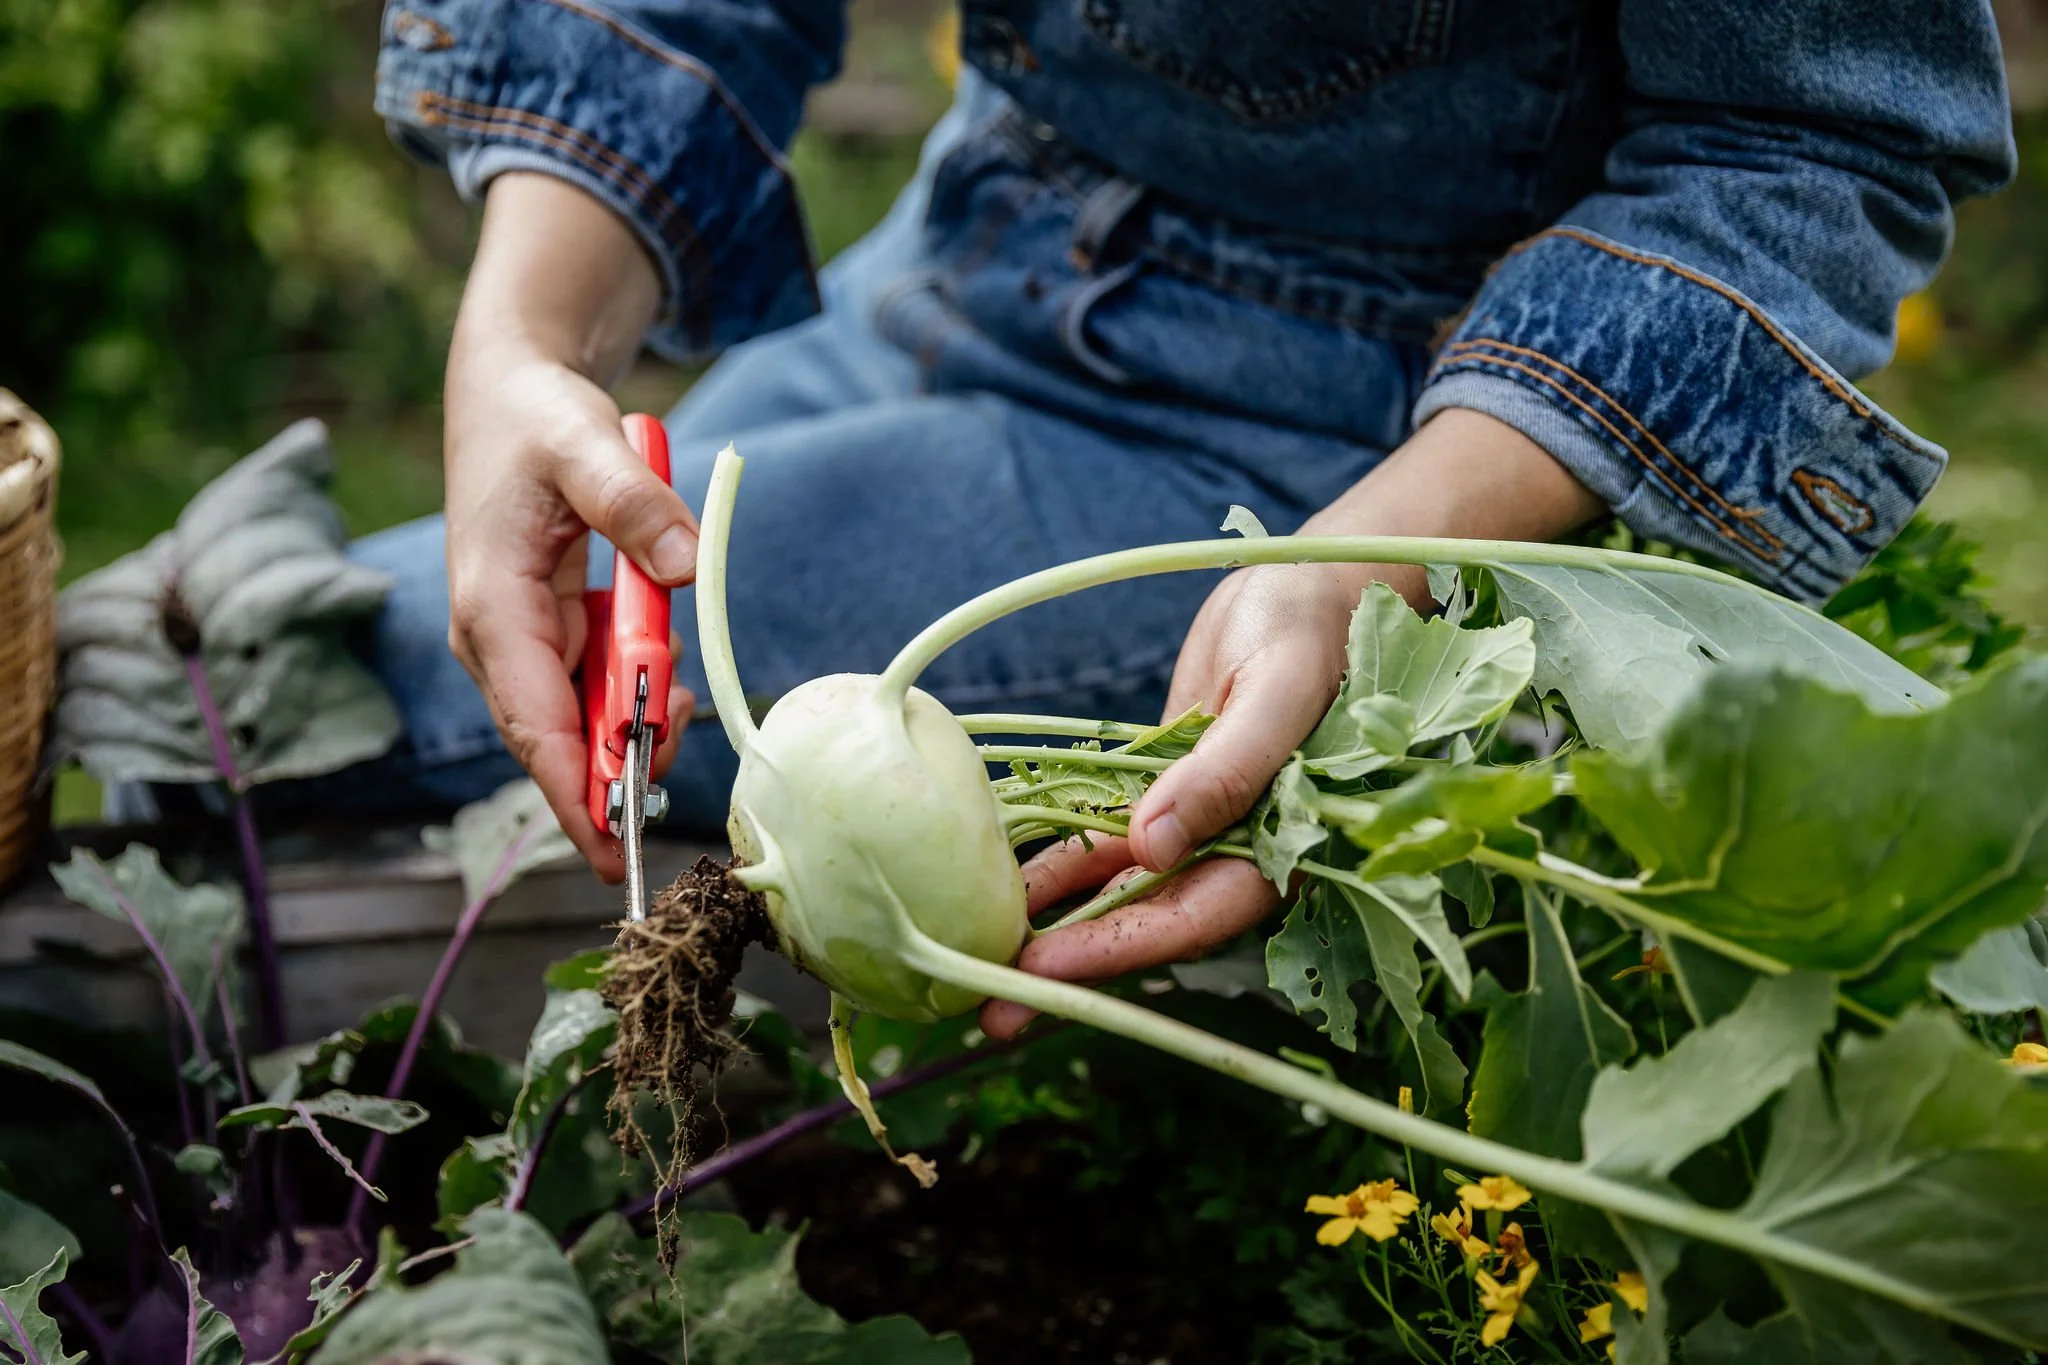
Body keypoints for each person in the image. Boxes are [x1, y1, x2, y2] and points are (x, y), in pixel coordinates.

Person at [354, 0, 2013, 1038]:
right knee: (358, 626)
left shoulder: (1350, 512)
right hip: (955, 258)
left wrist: (1374, 554)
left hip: (1324, 455)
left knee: (358, 671)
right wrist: (522, 342)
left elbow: (1811, 146)